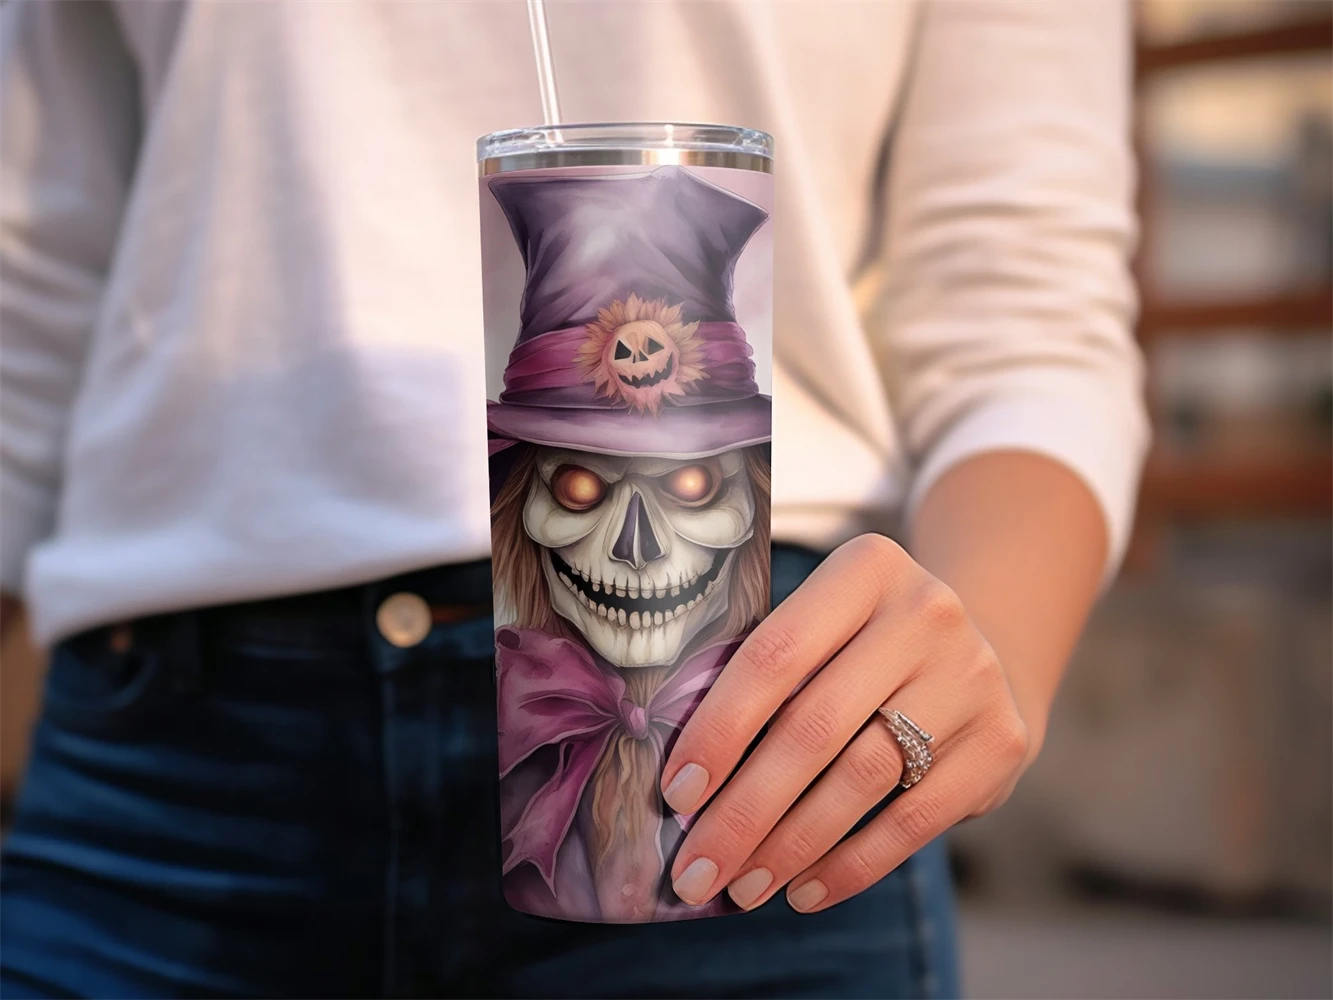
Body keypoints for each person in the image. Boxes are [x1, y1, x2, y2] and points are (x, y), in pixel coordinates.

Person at [0, 1, 1147, 997]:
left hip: (763, 744)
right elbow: (34, 279)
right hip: (169, 770)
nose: (629, 532)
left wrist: (988, 651)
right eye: (581, 481)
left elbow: (1026, 308)